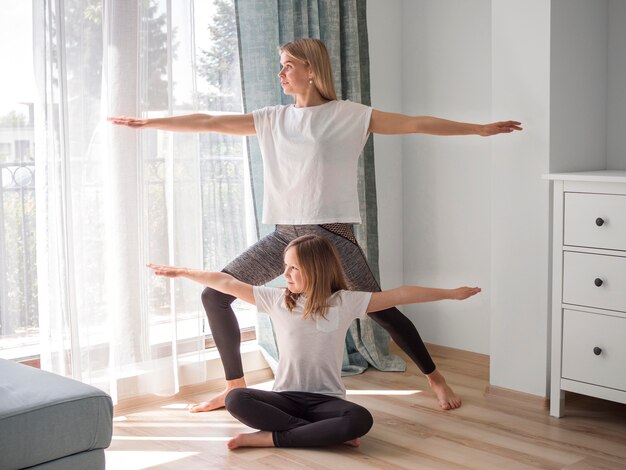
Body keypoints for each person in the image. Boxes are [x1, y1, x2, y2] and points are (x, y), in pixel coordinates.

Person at [110, 37, 521, 413]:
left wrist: (478, 129)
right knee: (214, 294)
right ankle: (234, 388)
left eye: (288, 65)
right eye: (281, 66)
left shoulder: (350, 115)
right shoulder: (271, 118)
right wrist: (150, 123)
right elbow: (207, 121)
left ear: (311, 69)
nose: (281, 73)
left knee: (382, 311)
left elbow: (415, 123)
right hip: (285, 233)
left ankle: (435, 377)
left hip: (332, 234)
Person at [148, 234, 481, 449]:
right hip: (285, 399)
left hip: (327, 401)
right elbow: (225, 282)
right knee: (236, 399)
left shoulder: (345, 302)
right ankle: (314, 434)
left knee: (360, 419)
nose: (286, 274)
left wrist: (450, 294)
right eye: (286, 267)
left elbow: (399, 294)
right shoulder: (275, 299)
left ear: (317, 270)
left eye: (294, 268)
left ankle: (272, 438)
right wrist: (182, 272)